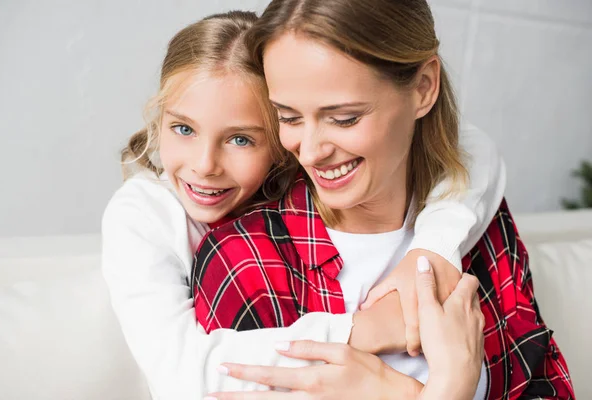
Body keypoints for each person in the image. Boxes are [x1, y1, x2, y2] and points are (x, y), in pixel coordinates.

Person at [102, 9, 506, 400]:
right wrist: (366, 330)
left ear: (277, 143)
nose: (204, 166)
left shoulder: (304, 175)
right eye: (183, 128)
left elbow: (470, 146)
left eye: (241, 139)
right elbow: (184, 377)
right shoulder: (145, 215)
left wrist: (433, 248)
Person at [191, 1, 574, 399]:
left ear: (423, 87)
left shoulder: (478, 223)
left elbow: (548, 388)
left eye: (344, 118)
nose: (309, 152)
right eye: (288, 117)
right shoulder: (243, 260)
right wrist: (444, 390)